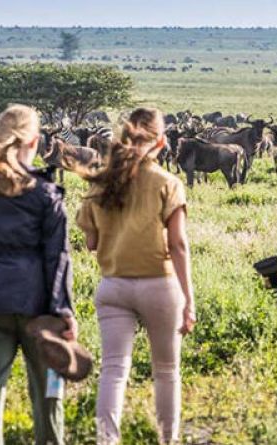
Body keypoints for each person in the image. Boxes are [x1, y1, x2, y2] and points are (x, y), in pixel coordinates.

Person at [75, 108, 196, 444]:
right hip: (159, 283)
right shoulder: (167, 183)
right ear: (160, 141)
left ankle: (106, 440)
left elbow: (90, 242)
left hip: (113, 285)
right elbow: (179, 245)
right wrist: (189, 301)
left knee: (113, 370)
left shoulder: (100, 183)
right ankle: (166, 439)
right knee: (167, 372)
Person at [0, 104, 76, 445]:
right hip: (38, 305)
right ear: (37, 141)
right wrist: (65, 312)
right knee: (49, 395)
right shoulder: (47, 195)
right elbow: (58, 258)